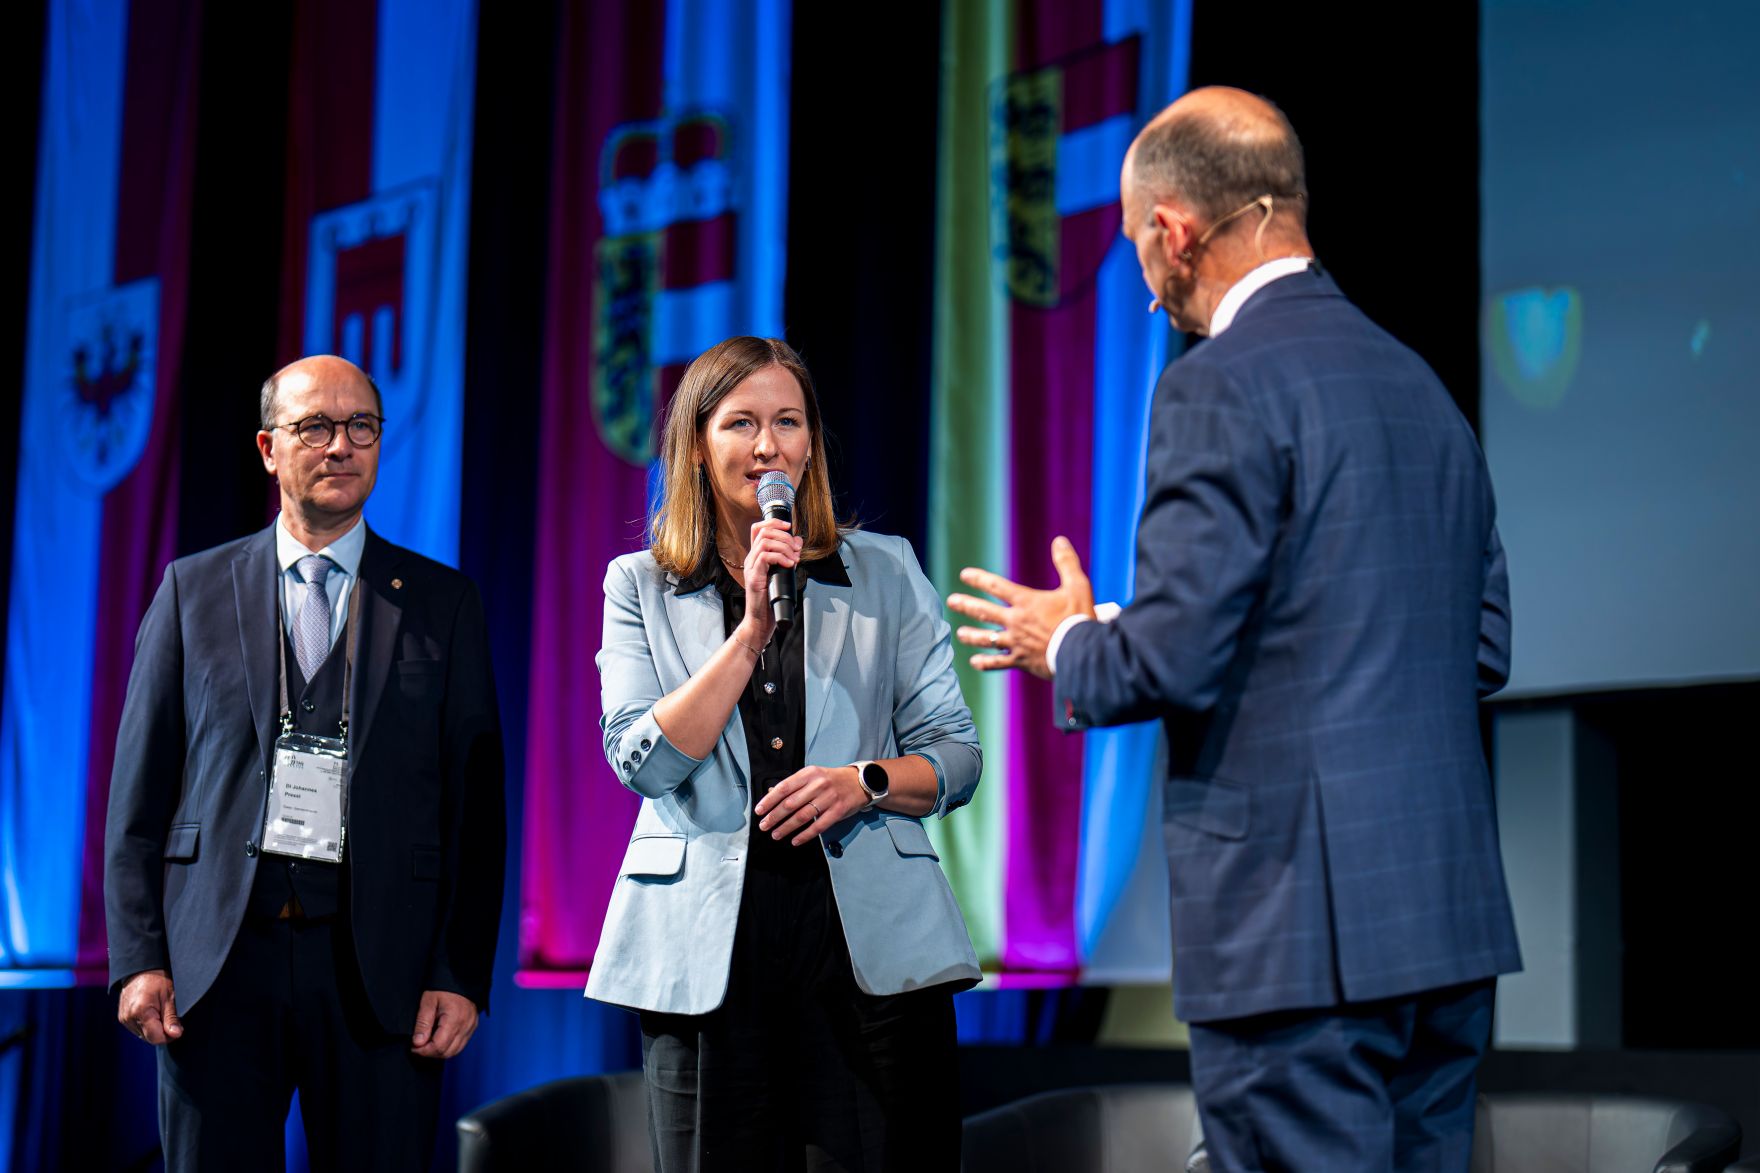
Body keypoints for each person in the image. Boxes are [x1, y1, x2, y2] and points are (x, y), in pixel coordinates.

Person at [946, 87, 1520, 1171]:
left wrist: (1068, 641)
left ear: (1175, 232)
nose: (1146, 288)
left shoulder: (1215, 386)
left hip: (1295, 937)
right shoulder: (1419, 385)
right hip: (1442, 925)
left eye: (1135, 244)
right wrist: (1144, 620)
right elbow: (1473, 647)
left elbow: (1171, 661)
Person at [589, 335, 981, 1171]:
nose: (769, 445)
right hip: (707, 952)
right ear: (699, 444)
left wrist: (864, 781)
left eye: (789, 422)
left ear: (811, 444)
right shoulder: (640, 585)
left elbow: (956, 756)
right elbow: (642, 760)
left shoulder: (885, 571)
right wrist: (749, 634)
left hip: (866, 947)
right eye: (742, 423)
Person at [104, 354, 505, 1170]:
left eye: (361, 426)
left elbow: (477, 810)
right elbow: (137, 796)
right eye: (315, 427)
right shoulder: (191, 590)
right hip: (216, 964)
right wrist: (139, 956)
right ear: (267, 447)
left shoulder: (442, 601)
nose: (341, 446)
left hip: (381, 970)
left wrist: (459, 971)